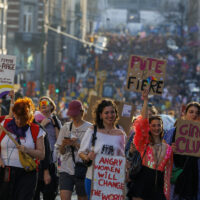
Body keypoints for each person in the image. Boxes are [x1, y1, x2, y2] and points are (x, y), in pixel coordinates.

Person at [127, 89, 173, 200]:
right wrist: (146, 100)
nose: (156, 128)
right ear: (149, 127)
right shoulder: (144, 143)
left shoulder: (168, 149)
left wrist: (166, 194)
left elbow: (167, 175)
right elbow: (142, 121)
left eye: (159, 125)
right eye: (153, 125)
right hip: (141, 183)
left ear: (162, 127)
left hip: (158, 188)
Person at [78, 99, 126, 200]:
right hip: (93, 179)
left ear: (116, 114)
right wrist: (87, 157)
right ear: (100, 115)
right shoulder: (92, 130)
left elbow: (122, 157)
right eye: (106, 113)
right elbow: (81, 152)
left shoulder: (121, 134)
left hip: (113, 181)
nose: (110, 115)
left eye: (112, 112)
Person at [0, 97, 45, 200]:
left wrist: (27, 150)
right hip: (5, 171)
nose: (19, 121)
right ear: (14, 113)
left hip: (27, 173)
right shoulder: (5, 124)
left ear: (29, 117)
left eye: (23, 118)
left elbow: (42, 155)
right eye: (17, 117)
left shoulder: (36, 130)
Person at [56, 100, 91, 200]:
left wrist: (75, 144)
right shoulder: (66, 127)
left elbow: (90, 152)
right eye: (71, 115)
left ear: (81, 112)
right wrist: (63, 144)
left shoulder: (90, 128)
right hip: (66, 168)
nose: (73, 117)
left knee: (83, 197)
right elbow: (61, 151)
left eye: (75, 114)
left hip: (82, 168)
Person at [164, 101, 200, 200]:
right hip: (175, 178)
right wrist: (170, 150)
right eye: (191, 112)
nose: (194, 115)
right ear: (185, 114)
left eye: (197, 113)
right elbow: (161, 153)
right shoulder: (173, 131)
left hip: (194, 179)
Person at [34, 96, 62, 200]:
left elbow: (59, 140)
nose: (44, 105)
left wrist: (55, 125)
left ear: (51, 106)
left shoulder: (55, 120)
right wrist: (42, 125)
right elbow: (33, 137)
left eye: (46, 103)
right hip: (38, 159)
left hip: (51, 160)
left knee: (50, 192)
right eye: (41, 104)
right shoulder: (35, 119)